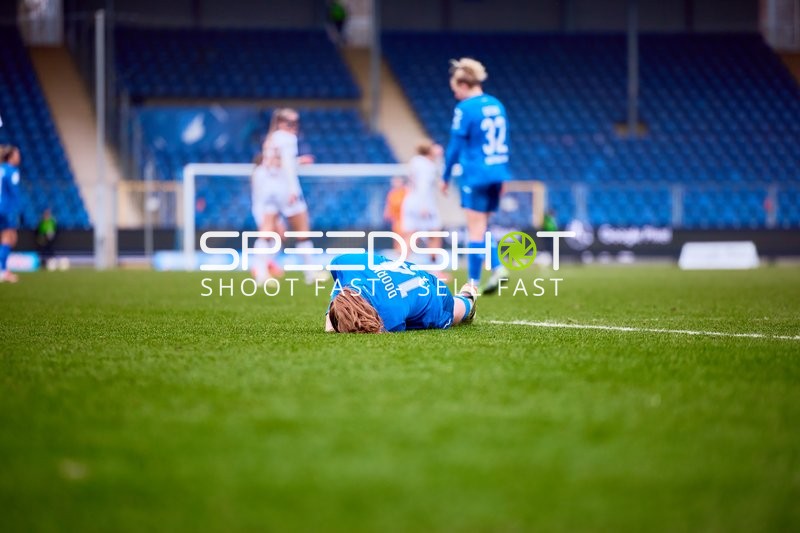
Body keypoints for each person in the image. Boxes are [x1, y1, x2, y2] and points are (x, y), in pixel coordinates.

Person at [441, 58, 510, 294]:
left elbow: (454, 147)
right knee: (482, 226)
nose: (455, 95)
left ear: (462, 84)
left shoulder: (465, 109)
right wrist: (503, 176)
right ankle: (498, 268)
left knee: (474, 229)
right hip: (498, 172)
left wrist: (445, 176)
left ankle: (473, 283)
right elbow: (504, 142)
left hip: (476, 173)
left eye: (455, 90)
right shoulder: (497, 104)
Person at [324, 253, 477, 333]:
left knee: (455, 311)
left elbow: (370, 328)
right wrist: (333, 311)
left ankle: (467, 297)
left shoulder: (388, 318)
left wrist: (331, 327)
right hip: (412, 272)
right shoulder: (345, 262)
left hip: (435, 297)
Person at [251, 108, 318, 283]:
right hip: (284, 187)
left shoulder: (270, 138)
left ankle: (260, 273)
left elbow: (275, 162)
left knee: (266, 232)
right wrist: (292, 189)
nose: (294, 127)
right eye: (290, 123)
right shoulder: (288, 138)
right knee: (302, 231)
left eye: (296, 123)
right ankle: (310, 273)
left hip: (270, 187)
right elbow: (287, 165)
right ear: (281, 122)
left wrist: (298, 161)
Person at [402, 140, 445, 260]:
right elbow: (424, 185)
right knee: (435, 235)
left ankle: (399, 266)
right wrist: (423, 205)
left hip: (410, 201)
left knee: (411, 235)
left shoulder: (415, 162)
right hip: (424, 204)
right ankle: (435, 269)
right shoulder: (427, 166)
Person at [0, 145, 22, 283]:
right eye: (17, 154)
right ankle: (2, 271)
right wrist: (18, 210)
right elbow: (14, 192)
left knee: (9, 238)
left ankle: (3, 269)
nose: (19, 157)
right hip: (6, 208)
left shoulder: (1, 169)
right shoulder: (12, 171)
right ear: (11, 157)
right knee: (9, 238)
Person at [383, 176, 407, 250]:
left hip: (407, 220)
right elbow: (388, 206)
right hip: (397, 221)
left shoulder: (407, 192)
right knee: (397, 240)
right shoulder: (392, 194)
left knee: (407, 239)